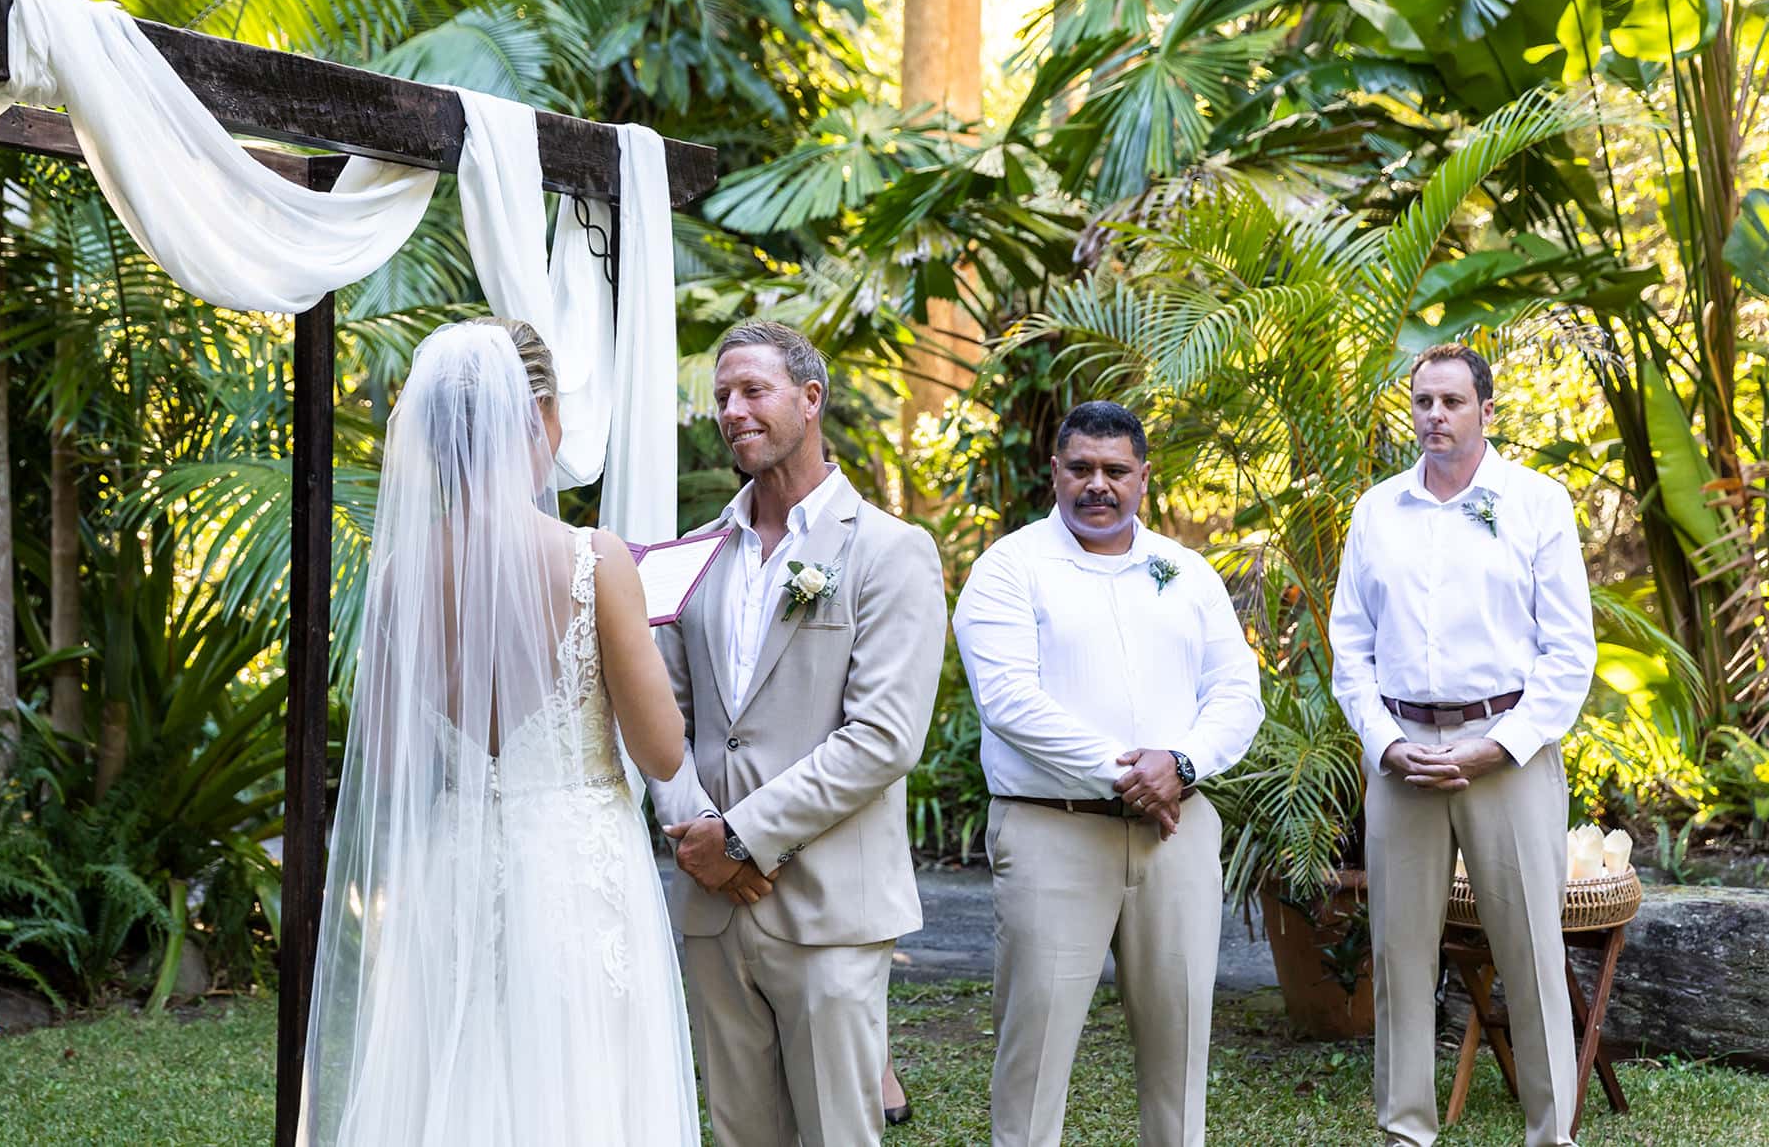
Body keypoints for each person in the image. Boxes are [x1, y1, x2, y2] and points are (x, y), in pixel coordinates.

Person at [298, 318, 699, 1146]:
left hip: (453, 872)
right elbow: (662, 751)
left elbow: (391, 749)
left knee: (459, 1085)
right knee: (580, 1097)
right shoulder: (595, 560)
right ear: (540, 419)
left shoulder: (403, 576)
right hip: (575, 874)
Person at [648, 319, 946, 1147]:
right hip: (712, 903)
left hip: (828, 906)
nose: (733, 410)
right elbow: (661, 716)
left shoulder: (891, 551)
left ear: (811, 400)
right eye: (721, 397)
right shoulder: (693, 552)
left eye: (753, 390)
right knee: (742, 1134)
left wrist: (741, 837)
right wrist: (697, 834)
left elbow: (884, 737)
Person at [952, 400, 1262, 1147]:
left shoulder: (1186, 572)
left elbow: (1237, 689)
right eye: (1082, 468)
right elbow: (1010, 701)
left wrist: (1180, 764)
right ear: (1055, 472)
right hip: (1053, 830)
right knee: (1036, 1048)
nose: (1099, 484)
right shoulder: (1009, 567)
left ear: (1143, 478)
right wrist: (1133, 773)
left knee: (1180, 1047)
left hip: (1177, 836)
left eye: (1115, 470)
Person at [1330, 343, 1597, 1147]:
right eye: (1422, 402)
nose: (1434, 416)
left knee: (1530, 949)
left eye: (1451, 401)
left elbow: (1569, 650)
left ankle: (1552, 1132)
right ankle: (1405, 1127)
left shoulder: (1536, 502)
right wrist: (1384, 744)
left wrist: (1500, 745)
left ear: (1486, 409)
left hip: (1505, 748)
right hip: (1403, 752)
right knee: (1401, 952)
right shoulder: (1377, 509)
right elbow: (1350, 646)